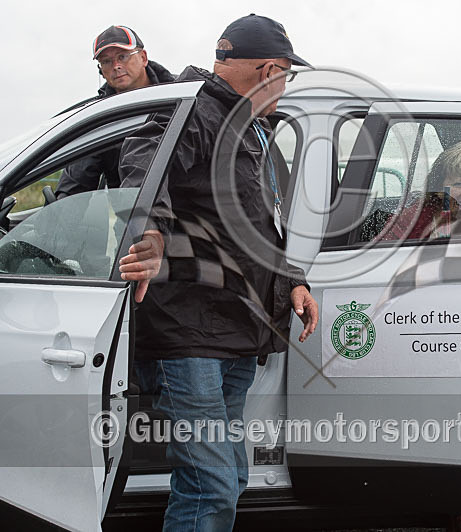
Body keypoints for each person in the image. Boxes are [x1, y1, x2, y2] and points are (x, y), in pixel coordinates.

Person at [116, 14, 318, 532]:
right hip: (191, 332)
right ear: (270, 68)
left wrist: (292, 277)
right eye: (287, 75)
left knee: (230, 473)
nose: (286, 86)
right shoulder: (193, 109)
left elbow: (257, 220)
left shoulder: (244, 125)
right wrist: (152, 230)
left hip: (231, 327)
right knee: (210, 484)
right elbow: (143, 158)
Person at [55, 25, 175, 199]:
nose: (116, 66)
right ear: (101, 71)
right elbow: (77, 181)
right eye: (106, 61)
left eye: (123, 56)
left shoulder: (182, 96)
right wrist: (57, 216)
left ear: (143, 57)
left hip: (191, 217)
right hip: (132, 215)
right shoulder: (100, 118)